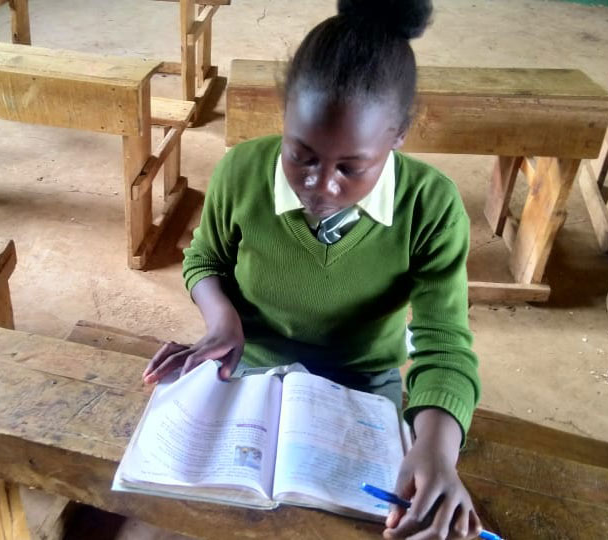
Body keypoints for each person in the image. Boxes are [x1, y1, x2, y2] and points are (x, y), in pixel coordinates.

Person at [143, 1, 482, 538]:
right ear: (284, 119)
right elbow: (205, 257)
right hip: (250, 370)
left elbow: (444, 344)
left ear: (397, 137)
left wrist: (437, 451)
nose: (321, 186)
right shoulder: (241, 171)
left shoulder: (430, 206)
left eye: (351, 168)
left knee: (375, 523)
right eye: (301, 155)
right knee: (205, 512)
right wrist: (222, 321)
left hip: (362, 387)